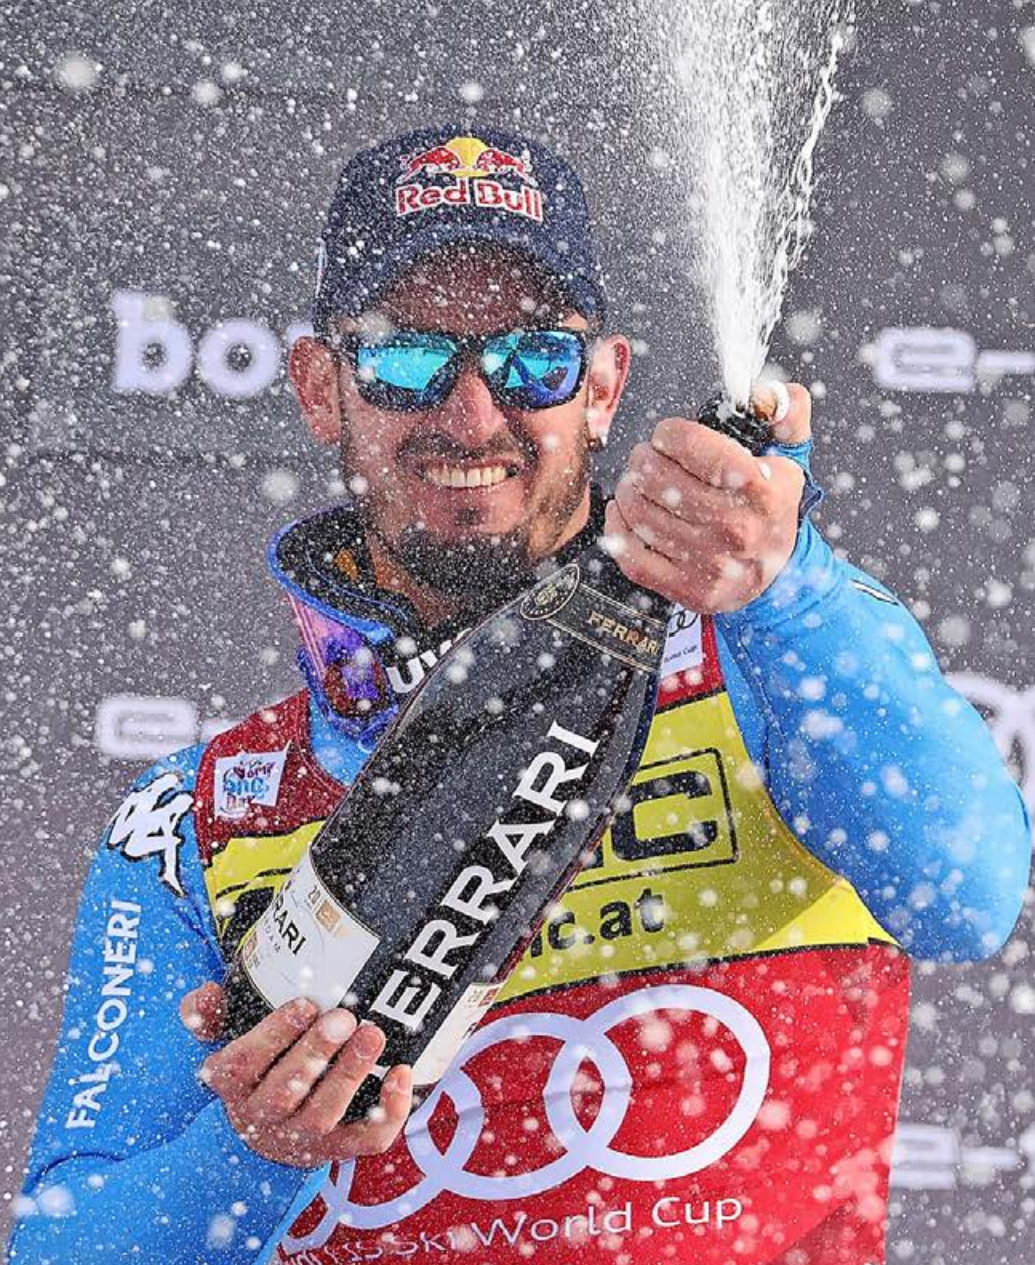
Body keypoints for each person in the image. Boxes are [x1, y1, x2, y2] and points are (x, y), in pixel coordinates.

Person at [10, 125, 1030, 1265]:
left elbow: (966, 894)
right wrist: (252, 1147)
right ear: (318, 389)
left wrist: (789, 591)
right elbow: (64, 1251)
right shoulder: (194, 816)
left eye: (532, 360)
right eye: (404, 359)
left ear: (603, 386)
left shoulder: (763, 657)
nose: (472, 415)